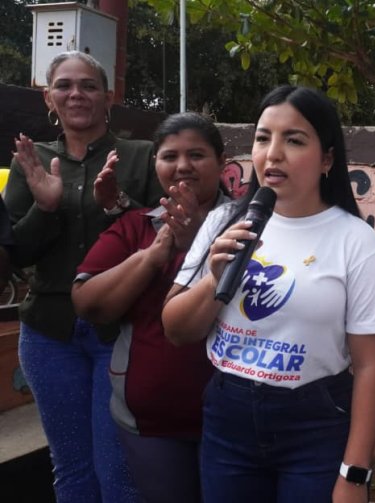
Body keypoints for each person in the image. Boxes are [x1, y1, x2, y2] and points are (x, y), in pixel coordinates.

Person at [162, 85, 375, 503]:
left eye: (294, 140)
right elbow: (176, 329)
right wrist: (213, 279)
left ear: (327, 159)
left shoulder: (355, 241)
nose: (273, 154)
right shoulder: (224, 221)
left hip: (315, 424)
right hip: (228, 418)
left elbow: (371, 367)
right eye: (263, 138)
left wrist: (354, 474)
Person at [6, 50, 163, 502]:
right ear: (48, 98)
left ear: (107, 97)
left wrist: (119, 205)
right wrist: (45, 207)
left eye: (88, 85)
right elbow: (17, 253)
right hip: (49, 334)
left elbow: (164, 239)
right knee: (72, 470)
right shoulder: (31, 161)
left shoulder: (141, 157)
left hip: (120, 331)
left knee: (118, 472)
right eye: (64, 85)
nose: (76, 94)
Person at [71, 113, 231, 503]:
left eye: (197, 155)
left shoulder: (253, 225)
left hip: (238, 418)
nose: (183, 166)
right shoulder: (135, 226)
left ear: (221, 163)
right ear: (155, 163)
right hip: (152, 420)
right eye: (170, 156)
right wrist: (153, 254)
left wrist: (200, 241)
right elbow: (88, 304)